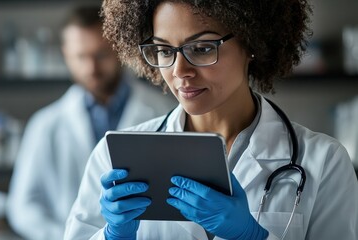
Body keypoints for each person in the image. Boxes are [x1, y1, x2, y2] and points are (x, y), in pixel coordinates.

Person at [64, 1, 358, 239]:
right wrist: (113, 236)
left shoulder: (324, 162)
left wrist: (252, 237)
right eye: (165, 50)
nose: (180, 70)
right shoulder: (114, 156)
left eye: (202, 48)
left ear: (252, 42)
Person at [6, 6, 176, 240]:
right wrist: (71, 235)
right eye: (81, 56)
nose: (91, 68)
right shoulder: (45, 124)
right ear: (66, 54)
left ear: (119, 49)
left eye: (100, 55)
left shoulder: (165, 111)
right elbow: (23, 207)